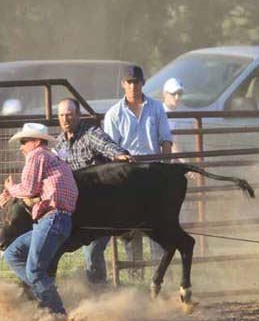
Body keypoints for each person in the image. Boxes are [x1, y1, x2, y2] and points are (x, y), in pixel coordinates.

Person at [0, 123, 78, 316]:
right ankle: (44, 292)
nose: (21, 146)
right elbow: (39, 193)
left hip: (51, 219)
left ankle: (56, 311)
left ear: (35, 142)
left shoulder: (37, 156)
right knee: (12, 254)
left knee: (34, 270)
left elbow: (29, 189)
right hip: (57, 220)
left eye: (24, 141)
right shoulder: (53, 158)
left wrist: (10, 189)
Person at [54, 97, 132, 285]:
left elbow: (106, 144)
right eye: (62, 115)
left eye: (70, 115)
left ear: (78, 116)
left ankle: (99, 292)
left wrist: (118, 154)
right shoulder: (59, 144)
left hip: (102, 205)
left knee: (92, 248)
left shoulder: (90, 134)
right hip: (79, 207)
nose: (65, 119)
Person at [104, 65, 173, 270]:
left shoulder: (157, 108)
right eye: (130, 82)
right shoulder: (114, 114)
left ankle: (160, 275)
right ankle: (136, 276)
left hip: (152, 172)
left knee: (156, 225)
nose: (133, 86)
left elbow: (166, 141)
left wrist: (165, 169)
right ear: (123, 84)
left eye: (137, 82)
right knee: (131, 228)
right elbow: (111, 149)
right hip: (128, 176)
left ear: (143, 83)